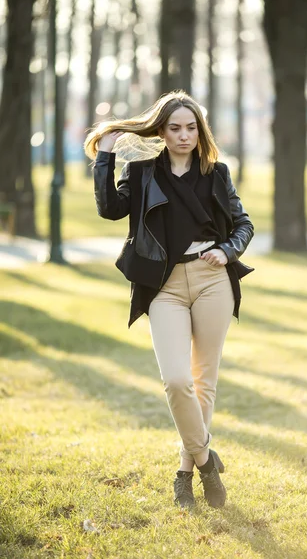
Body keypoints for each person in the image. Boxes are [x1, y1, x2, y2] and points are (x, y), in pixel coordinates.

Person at [85, 90, 254, 510]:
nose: (184, 135)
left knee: (204, 383)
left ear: (200, 130)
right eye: (175, 127)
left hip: (212, 278)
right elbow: (110, 209)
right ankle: (205, 461)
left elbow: (244, 224)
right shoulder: (142, 173)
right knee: (177, 380)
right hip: (164, 285)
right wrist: (106, 154)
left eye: (191, 127)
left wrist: (227, 250)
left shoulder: (217, 172)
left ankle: (183, 473)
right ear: (160, 131)